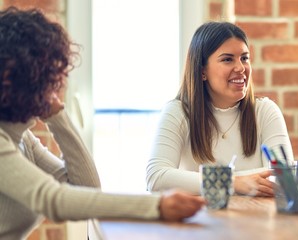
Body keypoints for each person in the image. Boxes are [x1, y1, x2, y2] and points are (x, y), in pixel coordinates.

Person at [0, 7, 205, 239]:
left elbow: (87, 187)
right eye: (49, 76)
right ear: (18, 78)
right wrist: (155, 207)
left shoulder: (24, 138)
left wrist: (58, 117)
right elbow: (52, 199)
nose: (57, 84)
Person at [146, 21, 294, 197]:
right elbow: (156, 178)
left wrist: (223, 181)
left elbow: (285, 179)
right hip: (200, 221)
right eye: (227, 59)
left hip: (255, 220)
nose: (240, 68)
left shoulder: (265, 111)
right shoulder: (178, 112)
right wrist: (233, 182)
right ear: (202, 71)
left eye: (244, 58)